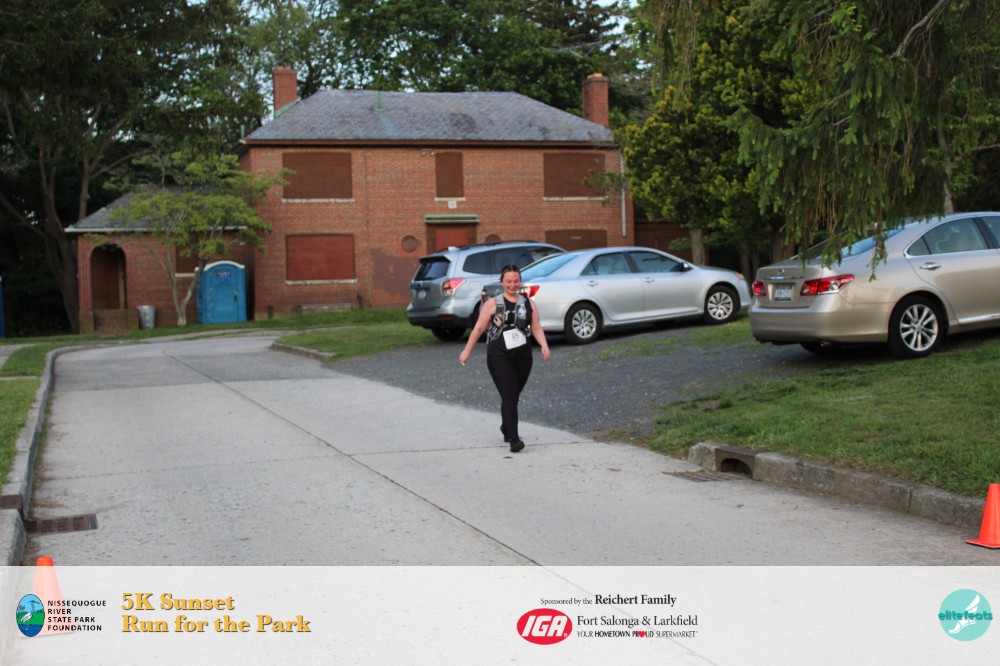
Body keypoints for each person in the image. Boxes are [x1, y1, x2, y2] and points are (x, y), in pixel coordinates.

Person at [459, 265, 551, 452]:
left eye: (516, 281)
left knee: (513, 395)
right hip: (499, 356)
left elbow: (536, 327)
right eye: (508, 281)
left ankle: (506, 426)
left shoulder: (528, 302)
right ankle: (514, 439)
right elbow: (479, 328)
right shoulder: (493, 304)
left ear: (520, 282)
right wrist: (467, 351)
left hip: (523, 356)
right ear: (502, 282)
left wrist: (544, 344)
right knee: (509, 394)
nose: (512, 284)